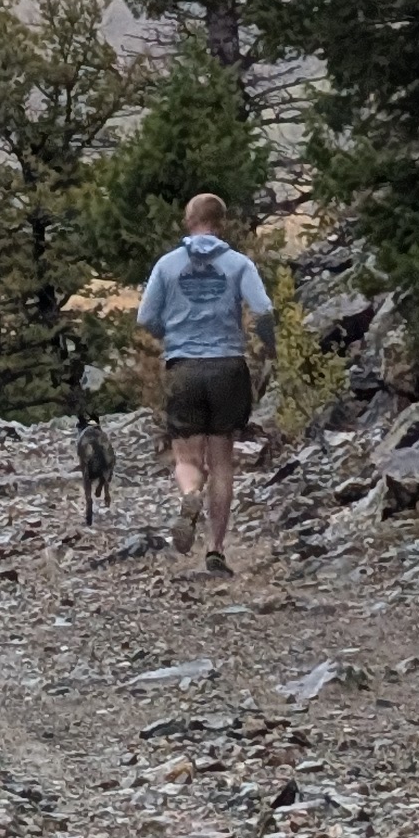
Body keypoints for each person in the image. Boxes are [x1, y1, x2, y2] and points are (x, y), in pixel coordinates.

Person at [133, 193, 277, 575]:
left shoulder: (167, 265)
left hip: (183, 367)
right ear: (221, 222)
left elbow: (145, 317)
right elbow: (264, 311)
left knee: (186, 459)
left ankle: (190, 494)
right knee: (222, 462)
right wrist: (271, 349)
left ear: (189, 220)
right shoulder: (239, 264)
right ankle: (215, 550)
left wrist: (171, 335)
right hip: (228, 366)